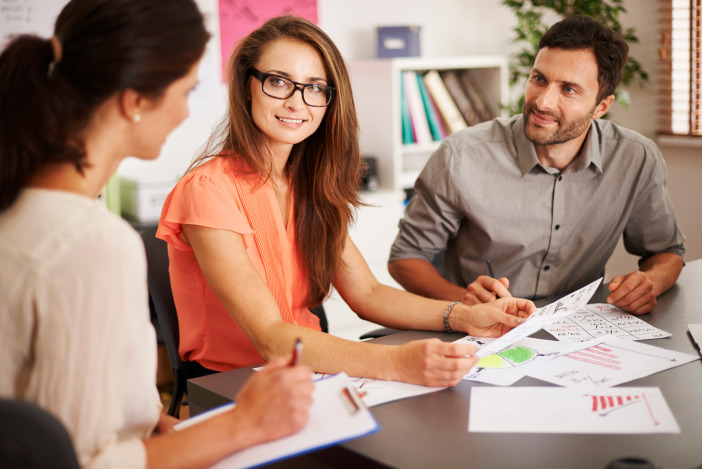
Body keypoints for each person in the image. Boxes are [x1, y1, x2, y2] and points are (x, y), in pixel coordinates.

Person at [0, 2, 314, 469]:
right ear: (135, 100)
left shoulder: (26, 209)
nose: (185, 113)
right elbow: (82, 461)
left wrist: (151, 422)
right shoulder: (92, 243)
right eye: (186, 90)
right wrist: (241, 423)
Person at [157, 15, 536, 387]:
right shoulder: (208, 190)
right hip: (233, 385)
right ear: (246, 86)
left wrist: (466, 316)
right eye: (278, 82)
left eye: (315, 88)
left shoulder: (306, 185)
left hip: (312, 371)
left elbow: (368, 293)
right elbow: (271, 338)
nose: (296, 102)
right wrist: (393, 362)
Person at [388, 15, 685, 316]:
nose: (543, 102)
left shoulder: (635, 157)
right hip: (477, 333)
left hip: (579, 328)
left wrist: (649, 281)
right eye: (539, 79)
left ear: (601, 107)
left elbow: (666, 251)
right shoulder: (461, 155)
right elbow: (405, 259)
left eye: (568, 89)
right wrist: (465, 303)